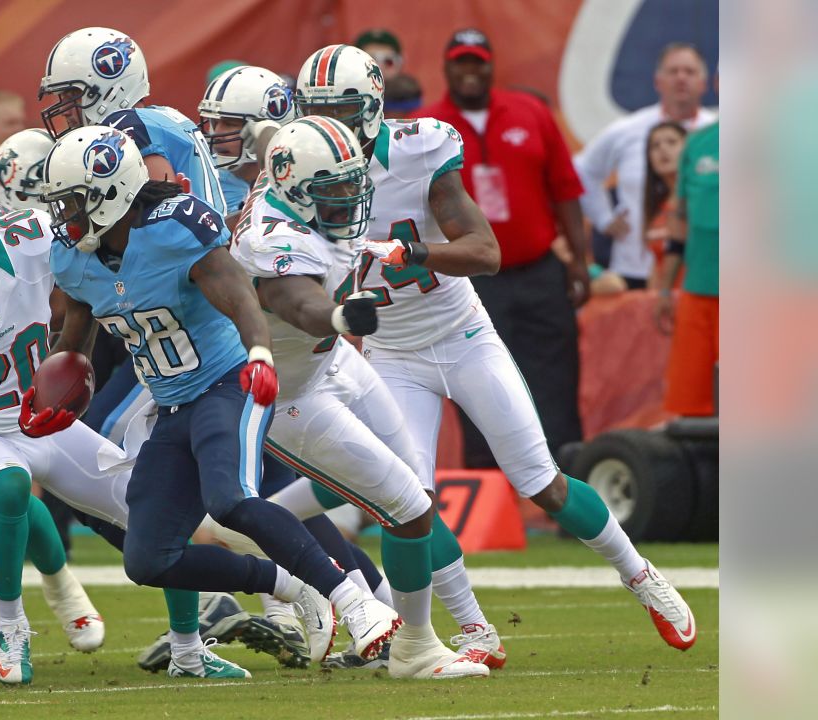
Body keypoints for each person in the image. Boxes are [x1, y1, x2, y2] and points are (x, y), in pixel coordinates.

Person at [267, 41, 697, 661]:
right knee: (405, 498)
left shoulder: (419, 150)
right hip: (390, 353)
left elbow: (486, 252)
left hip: (460, 333)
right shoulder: (295, 168)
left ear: (370, 108)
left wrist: (411, 252)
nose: (329, 123)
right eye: (318, 109)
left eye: (341, 109)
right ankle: (473, 629)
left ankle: (641, 576)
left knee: (539, 481)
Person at [44, 126, 397, 665]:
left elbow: (240, 298)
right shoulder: (76, 257)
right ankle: (290, 585)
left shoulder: (172, 228)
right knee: (148, 558)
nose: (65, 215)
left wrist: (259, 352)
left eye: (75, 201)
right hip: (171, 406)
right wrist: (56, 393)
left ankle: (356, 602)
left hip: (227, 382)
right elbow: (76, 334)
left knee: (230, 499)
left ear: (112, 192)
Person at [228, 116, 488, 680]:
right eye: (333, 189)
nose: (349, 196)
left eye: (352, 183)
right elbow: (295, 301)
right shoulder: (274, 237)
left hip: (335, 364)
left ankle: (272, 532)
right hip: (288, 394)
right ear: (297, 190)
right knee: (409, 507)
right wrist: (342, 314)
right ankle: (415, 648)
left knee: (414, 490)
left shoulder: (299, 193)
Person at [415, 28, 591, 471]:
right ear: (447, 68)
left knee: (556, 370)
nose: (470, 71)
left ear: (492, 65)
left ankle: (565, 471)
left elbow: (565, 192)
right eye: (461, 62)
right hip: (469, 278)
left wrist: (581, 262)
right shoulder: (425, 127)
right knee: (478, 379)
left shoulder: (531, 112)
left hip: (537, 268)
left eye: (478, 61)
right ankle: (491, 483)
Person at [38, 26, 226, 213]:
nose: (63, 109)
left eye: (72, 94)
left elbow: (159, 212)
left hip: (178, 241)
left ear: (109, 86)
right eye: (61, 97)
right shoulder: (163, 115)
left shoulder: (126, 125)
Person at [574, 43, 716, 288]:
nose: (681, 78)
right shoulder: (628, 129)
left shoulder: (719, 132)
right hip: (634, 267)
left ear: (704, 83)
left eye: (690, 72)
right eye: (673, 71)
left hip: (702, 271)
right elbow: (581, 170)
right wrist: (603, 218)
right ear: (657, 81)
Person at [656, 118, 718, 417]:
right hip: (699, 292)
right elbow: (679, 224)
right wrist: (665, 289)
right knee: (693, 404)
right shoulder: (697, 144)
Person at [197, 65, 295, 221]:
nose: (218, 134)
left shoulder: (297, 179)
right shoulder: (204, 177)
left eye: (229, 123)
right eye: (214, 123)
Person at [641, 121, 688, 287]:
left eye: (672, 142)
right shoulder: (656, 207)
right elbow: (657, 263)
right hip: (665, 304)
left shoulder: (704, 202)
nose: (663, 149)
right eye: (655, 146)